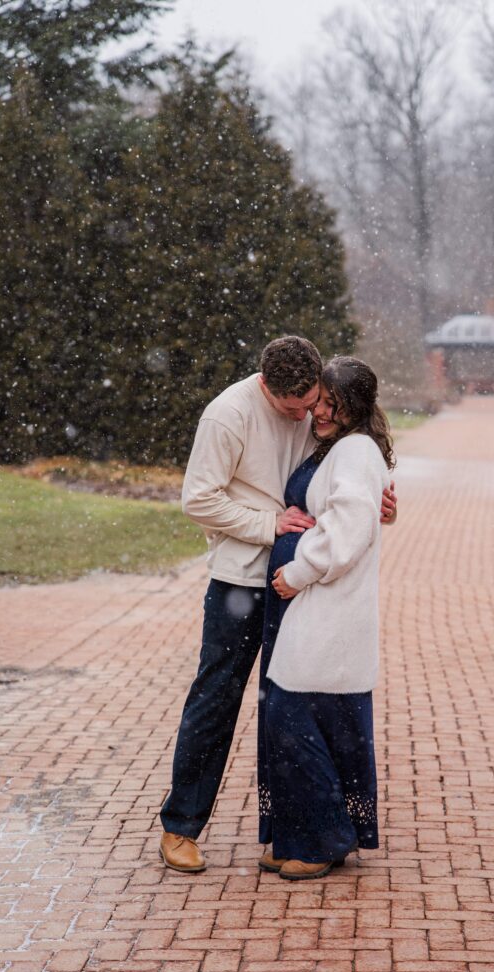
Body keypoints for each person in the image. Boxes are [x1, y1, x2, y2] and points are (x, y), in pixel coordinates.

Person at [159, 337, 396, 873]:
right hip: (242, 582)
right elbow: (198, 498)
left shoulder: (318, 406)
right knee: (217, 698)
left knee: (286, 710)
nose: (307, 417)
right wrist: (268, 524)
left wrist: (381, 501)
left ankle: (299, 831)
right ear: (266, 386)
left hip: (302, 588)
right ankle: (181, 827)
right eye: (295, 409)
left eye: (313, 404)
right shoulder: (228, 415)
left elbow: (345, 475)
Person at [257, 356, 395, 880]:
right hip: (318, 603)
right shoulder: (340, 445)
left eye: (332, 405)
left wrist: (298, 570)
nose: (320, 412)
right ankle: (307, 835)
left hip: (329, 604)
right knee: (315, 722)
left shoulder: (355, 450)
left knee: (290, 718)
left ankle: (321, 840)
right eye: (321, 401)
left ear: (354, 407)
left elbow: (348, 529)